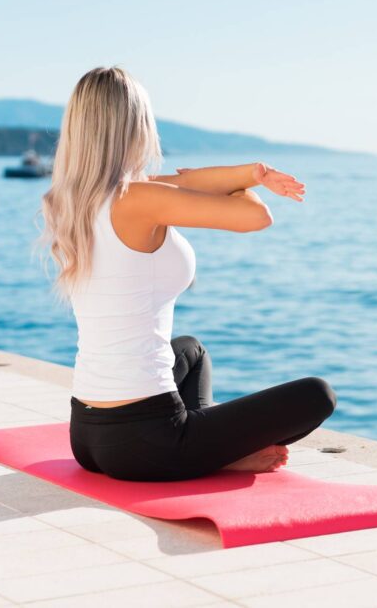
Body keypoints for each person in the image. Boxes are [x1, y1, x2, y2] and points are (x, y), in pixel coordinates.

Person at [39, 66, 337, 481]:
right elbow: (256, 216)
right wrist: (243, 188)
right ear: (137, 126)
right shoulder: (139, 197)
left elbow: (192, 183)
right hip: (144, 442)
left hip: (87, 435)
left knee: (191, 351)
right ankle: (212, 456)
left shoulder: (74, 199)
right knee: (317, 395)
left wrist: (255, 172)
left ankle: (206, 449)